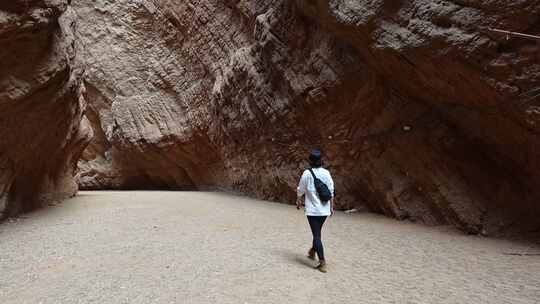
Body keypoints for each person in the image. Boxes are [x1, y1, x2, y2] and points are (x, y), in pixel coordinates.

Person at [296, 149, 334, 273]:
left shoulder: (307, 173)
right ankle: (312, 251)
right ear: (321, 161)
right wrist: (331, 207)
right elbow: (331, 191)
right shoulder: (327, 173)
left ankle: (322, 262)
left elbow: (301, 189)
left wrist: (298, 200)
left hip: (312, 211)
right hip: (324, 211)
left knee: (316, 235)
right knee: (317, 232)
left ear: (310, 161)